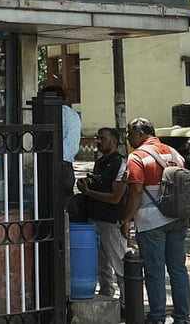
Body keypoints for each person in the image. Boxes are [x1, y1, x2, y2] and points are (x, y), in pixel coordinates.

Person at [121, 117, 190, 324]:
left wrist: (127, 219)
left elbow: (135, 191)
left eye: (129, 133)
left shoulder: (137, 157)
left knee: (154, 270)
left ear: (140, 133)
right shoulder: (175, 154)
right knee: (178, 269)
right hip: (178, 217)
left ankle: (157, 317)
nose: (128, 137)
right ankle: (182, 317)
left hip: (151, 222)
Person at [75, 127, 127, 307]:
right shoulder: (100, 162)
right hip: (94, 219)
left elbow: (116, 197)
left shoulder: (120, 163)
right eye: (97, 137)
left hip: (111, 221)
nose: (98, 141)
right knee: (101, 266)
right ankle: (106, 299)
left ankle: (128, 303)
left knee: (119, 265)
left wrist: (88, 192)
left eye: (102, 138)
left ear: (113, 141)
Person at [39, 85, 81, 200]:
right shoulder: (73, 114)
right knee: (65, 204)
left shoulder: (55, 113)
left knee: (53, 204)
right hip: (68, 165)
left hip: (55, 164)